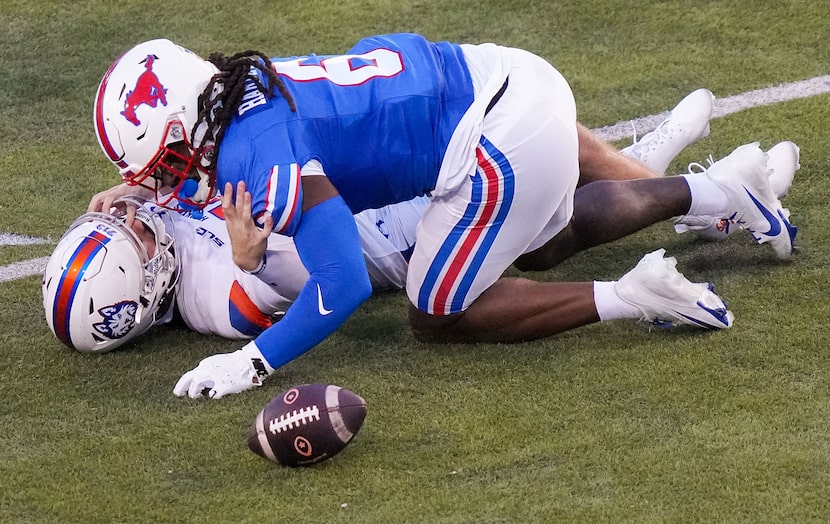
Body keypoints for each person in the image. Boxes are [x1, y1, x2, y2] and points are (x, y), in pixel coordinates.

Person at [89, 35, 798, 400]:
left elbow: (342, 282)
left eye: (161, 164)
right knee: (544, 243)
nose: (160, 181)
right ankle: (722, 194)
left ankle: (635, 294)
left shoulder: (254, 159)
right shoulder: (240, 90)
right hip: (505, 79)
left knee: (436, 309)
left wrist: (253, 362)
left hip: (492, 137)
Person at [43, 195, 426, 352]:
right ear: (144, 292)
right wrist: (258, 263)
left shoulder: (155, 230)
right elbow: (325, 275)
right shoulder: (220, 300)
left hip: (343, 171)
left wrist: (149, 177)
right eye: (134, 238)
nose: (133, 220)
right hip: (394, 225)